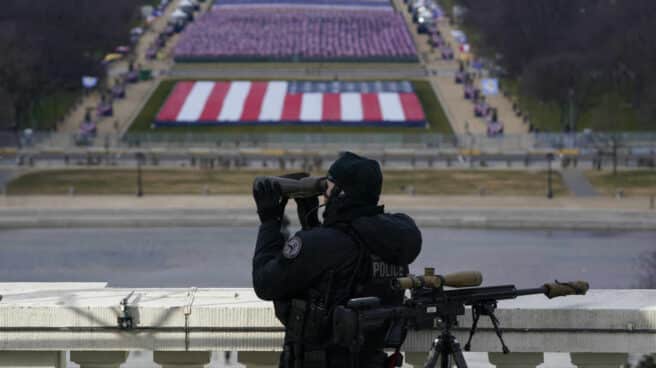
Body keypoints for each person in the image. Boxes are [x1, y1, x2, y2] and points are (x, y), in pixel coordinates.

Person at [252, 152, 422, 368]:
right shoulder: (389, 240)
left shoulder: (322, 245)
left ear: (341, 193)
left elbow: (265, 283)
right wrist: (312, 223)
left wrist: (270, 222)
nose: (324, 195)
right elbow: (333, 275)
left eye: (328, 187)